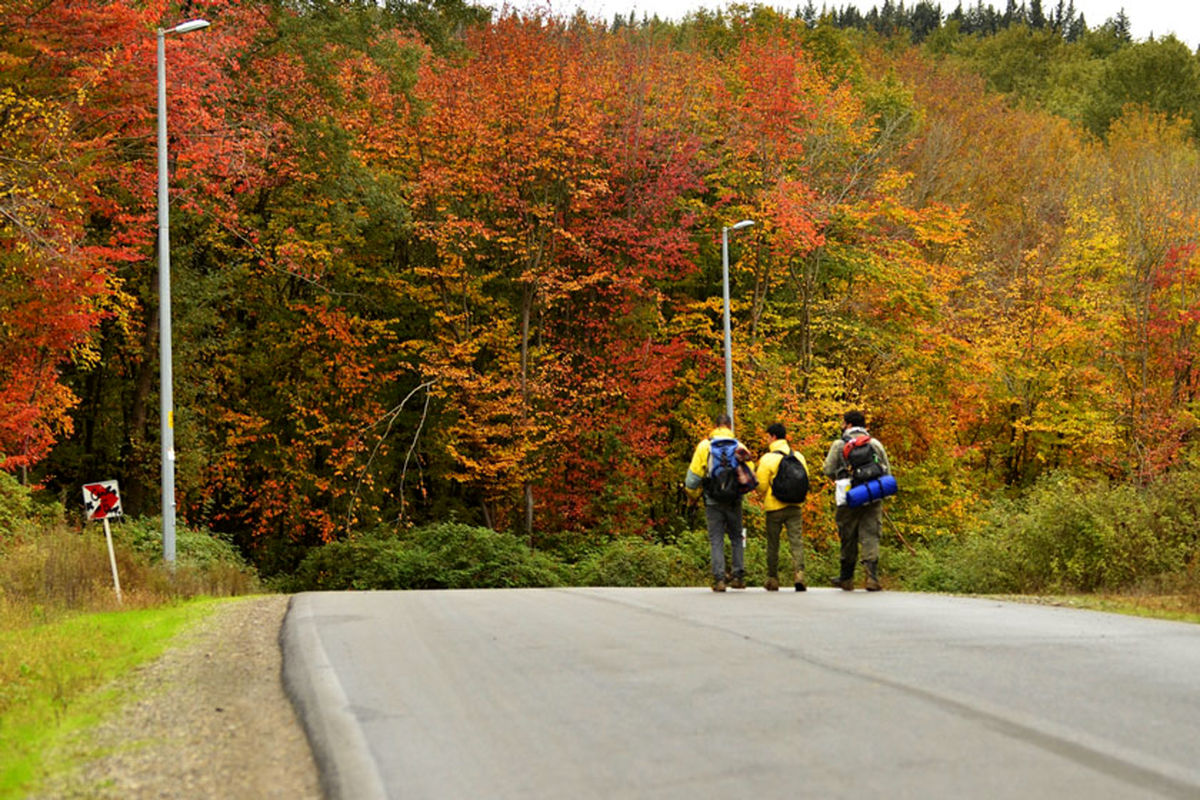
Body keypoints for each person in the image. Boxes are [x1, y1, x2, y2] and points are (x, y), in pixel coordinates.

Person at [822, 410, 891, 592]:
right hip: (872, 495)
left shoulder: (839, 444)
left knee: (848, 535)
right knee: (871, 534)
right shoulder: (875, 444)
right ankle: (871, 577)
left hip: (848, 496)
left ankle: (846, 578)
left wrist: (841, 476)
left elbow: (828, 469)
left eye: (844, 423)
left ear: (849, 425)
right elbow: (887, 472)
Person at [684, 413, 752, 591]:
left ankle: (720, 579)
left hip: (712, 500)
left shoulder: (704, 446)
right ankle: (738, 577)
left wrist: (693, 496)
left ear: (715, 426)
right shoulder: (739, 447)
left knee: (716, 539)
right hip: (734, 500)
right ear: (730, 427)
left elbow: (691, 482)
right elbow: (751, 475)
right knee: (737, 537)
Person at [754, 423, 809, 592]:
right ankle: (799, 574)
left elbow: (761, 486)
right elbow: (806, 479)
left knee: (773, 543)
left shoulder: (768, 459)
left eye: (767, 436)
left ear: (773, 437)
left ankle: (772, 578)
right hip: (795, 506)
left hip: (774, 507)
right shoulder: (798, 457)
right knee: (796, 541)